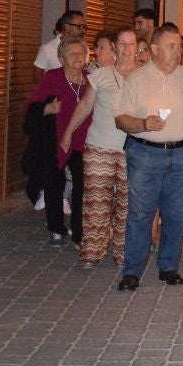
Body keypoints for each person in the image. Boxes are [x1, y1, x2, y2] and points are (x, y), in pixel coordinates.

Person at [113, 25, 183, 291]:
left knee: (176, 214)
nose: (178, 51)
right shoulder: (136, 79)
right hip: (145, 155)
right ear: (154, 49)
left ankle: (168, 267)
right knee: (140, 214)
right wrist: (143, 123)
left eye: (179, 46)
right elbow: (120, 118)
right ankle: (132, 271)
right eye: (171, 46)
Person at [62, 29, 140, 268]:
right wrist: (68, 132)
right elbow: (85, 105)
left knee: (127, 203)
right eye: (122, 44)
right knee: (96, 202)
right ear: (115, 47)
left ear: (137, 47)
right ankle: (92, 251)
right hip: (99, 146)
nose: (127, 49)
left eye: (131, 44)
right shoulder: (101, 75)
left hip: (134, 150)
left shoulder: (146, 75)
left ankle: (123, 252)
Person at [25, 38, 91, 248]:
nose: (77, 57)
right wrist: (47, 109)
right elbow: (31, 109)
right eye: (72, 54)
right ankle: (56, 229)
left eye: (81, 53)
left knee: (83, 187)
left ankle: (79, 233)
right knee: (54, 184)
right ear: (61, 58)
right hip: (55, 141)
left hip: (84, 141)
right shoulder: (53, 78)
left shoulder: (91, 80)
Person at [33, 10, 86, 83]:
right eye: (79, 26)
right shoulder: (47, 48)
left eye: (84, 27)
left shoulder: (84, 48)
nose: (83, 30)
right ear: (67, 26)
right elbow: (37, 78)